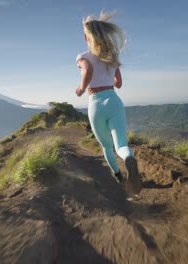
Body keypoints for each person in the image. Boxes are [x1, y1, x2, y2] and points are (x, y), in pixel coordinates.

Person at [75, 11, 142, 196]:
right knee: (121, 145)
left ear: (86, 36)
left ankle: (118, 175)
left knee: (106, 146)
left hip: (96, 103)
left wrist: (81, 88)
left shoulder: (83, 56)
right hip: (114, 101)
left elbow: (87, 70)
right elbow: (118, 84)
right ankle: (128, 158)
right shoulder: (112, 56)